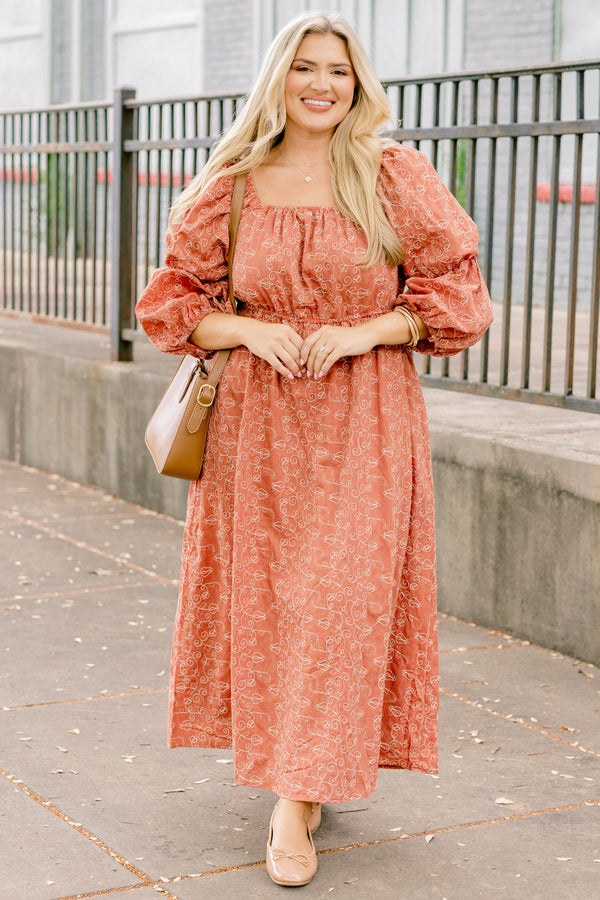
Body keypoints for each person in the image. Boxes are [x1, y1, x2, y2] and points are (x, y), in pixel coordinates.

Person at [136, 11, 493, 888]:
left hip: (364, 419)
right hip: (255, 428)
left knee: (341, 603)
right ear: (279, 81)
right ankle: (303, 774)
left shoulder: (393, 175)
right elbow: (173, 303)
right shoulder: (234, 182)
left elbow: (459, 298)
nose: (323, 84)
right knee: (271, 606)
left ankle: (296, 798)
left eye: (338, 69)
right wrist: (247, 335)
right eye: (304, 69)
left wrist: (366, 328)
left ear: (358, 83)